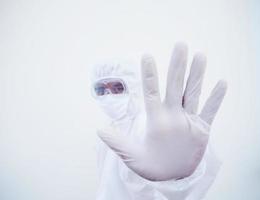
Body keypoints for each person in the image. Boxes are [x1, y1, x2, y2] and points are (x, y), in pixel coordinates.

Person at [90, 42, 227, 200]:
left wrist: (176, 180)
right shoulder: (108, 131)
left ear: (133, 86)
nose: (108, 96)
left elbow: (190, 187)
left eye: (117, 87)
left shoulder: (155, 126)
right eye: (101, 90)